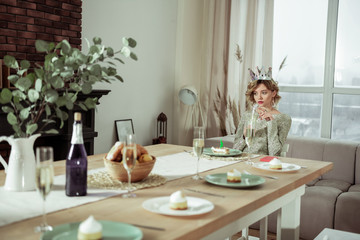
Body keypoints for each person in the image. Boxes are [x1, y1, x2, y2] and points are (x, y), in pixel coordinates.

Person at [233, 67, 291, 156]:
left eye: (263, 92)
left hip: (262, 163)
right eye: (255, 93)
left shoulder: (284, 119)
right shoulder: (247, 115)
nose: (259, 97)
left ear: (273, 93)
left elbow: (275, 153)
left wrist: (271, 123)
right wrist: (244, 137)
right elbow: (235, 149)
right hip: (242, 160)